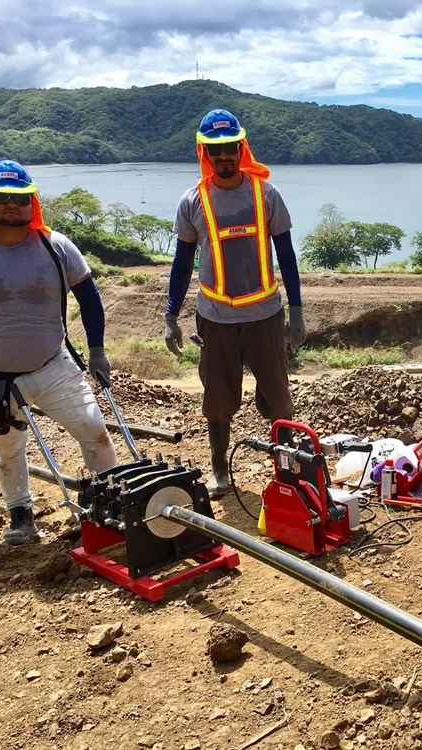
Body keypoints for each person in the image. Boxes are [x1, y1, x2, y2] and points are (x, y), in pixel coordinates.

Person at [0, 159, 117, 544]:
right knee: (9, 449)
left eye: (20, 198)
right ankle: (20, 516)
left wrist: (96, 350)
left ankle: (105, 508)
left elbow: (90, 300)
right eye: (1, 197)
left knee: (95, 433)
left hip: (52, 366)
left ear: (32, 203)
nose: (11, 205)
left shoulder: (56, 246)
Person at [164, 109, 306, 497]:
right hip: (215, 318)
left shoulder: (266, 194)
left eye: (229, 148)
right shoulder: (192, 202)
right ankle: (219, 471)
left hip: (265, 316)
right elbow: (181, 262)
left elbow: (287, 255)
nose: (223, 157)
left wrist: (296, 311)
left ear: (240, 149)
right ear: (204, 153)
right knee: (217, 400)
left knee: (278, 397)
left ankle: (286, 467)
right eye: (215, 150)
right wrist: (171, 315)